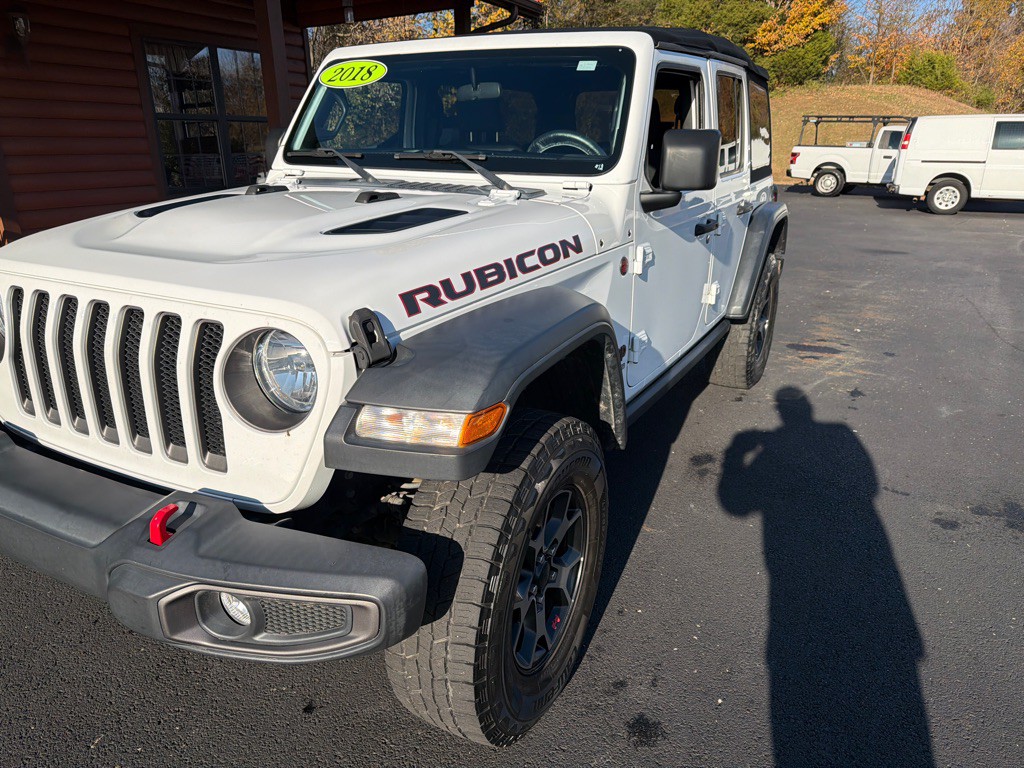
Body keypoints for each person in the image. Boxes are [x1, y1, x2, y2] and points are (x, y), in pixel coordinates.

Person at [719, 387, 935, 767]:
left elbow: (736, 504)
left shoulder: (779, 446)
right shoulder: (837, 433)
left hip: (793, 570)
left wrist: (734, 454)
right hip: (863, 562)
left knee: (799, 674)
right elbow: (868, 486)